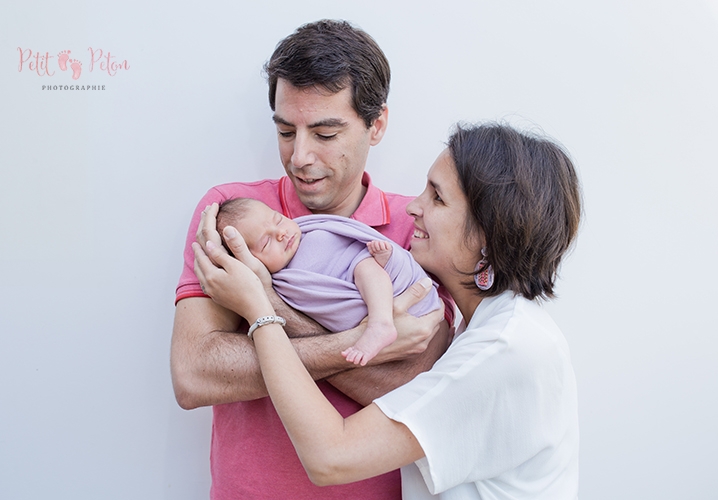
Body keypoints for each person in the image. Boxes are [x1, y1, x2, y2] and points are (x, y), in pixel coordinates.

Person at [194, 123, 582, 499]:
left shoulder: (504, 349)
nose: (413, 207)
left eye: (437, 198)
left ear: (487, 237)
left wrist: (261, 307)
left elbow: (331, 457)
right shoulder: (489, 329)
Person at [171, 19, 452, 499]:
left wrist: (265, 309)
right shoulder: (233, 218)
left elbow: (417, 400)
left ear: (377, 123)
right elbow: (195, 374)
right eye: (285, 131)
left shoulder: (417, 230)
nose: (300, 156)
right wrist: (365, 344)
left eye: (325, 133)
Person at [215, 197, 442, 365]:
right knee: (363, 270)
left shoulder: (310, 230)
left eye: (279, 219)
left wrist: (386, 260)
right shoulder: (284, 284)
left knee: (366, 267)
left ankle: (380, 322)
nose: (281, 233)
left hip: (363, 264)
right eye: (266, 243)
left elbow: (352, 242)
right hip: (352, 288)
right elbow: (322, 312)